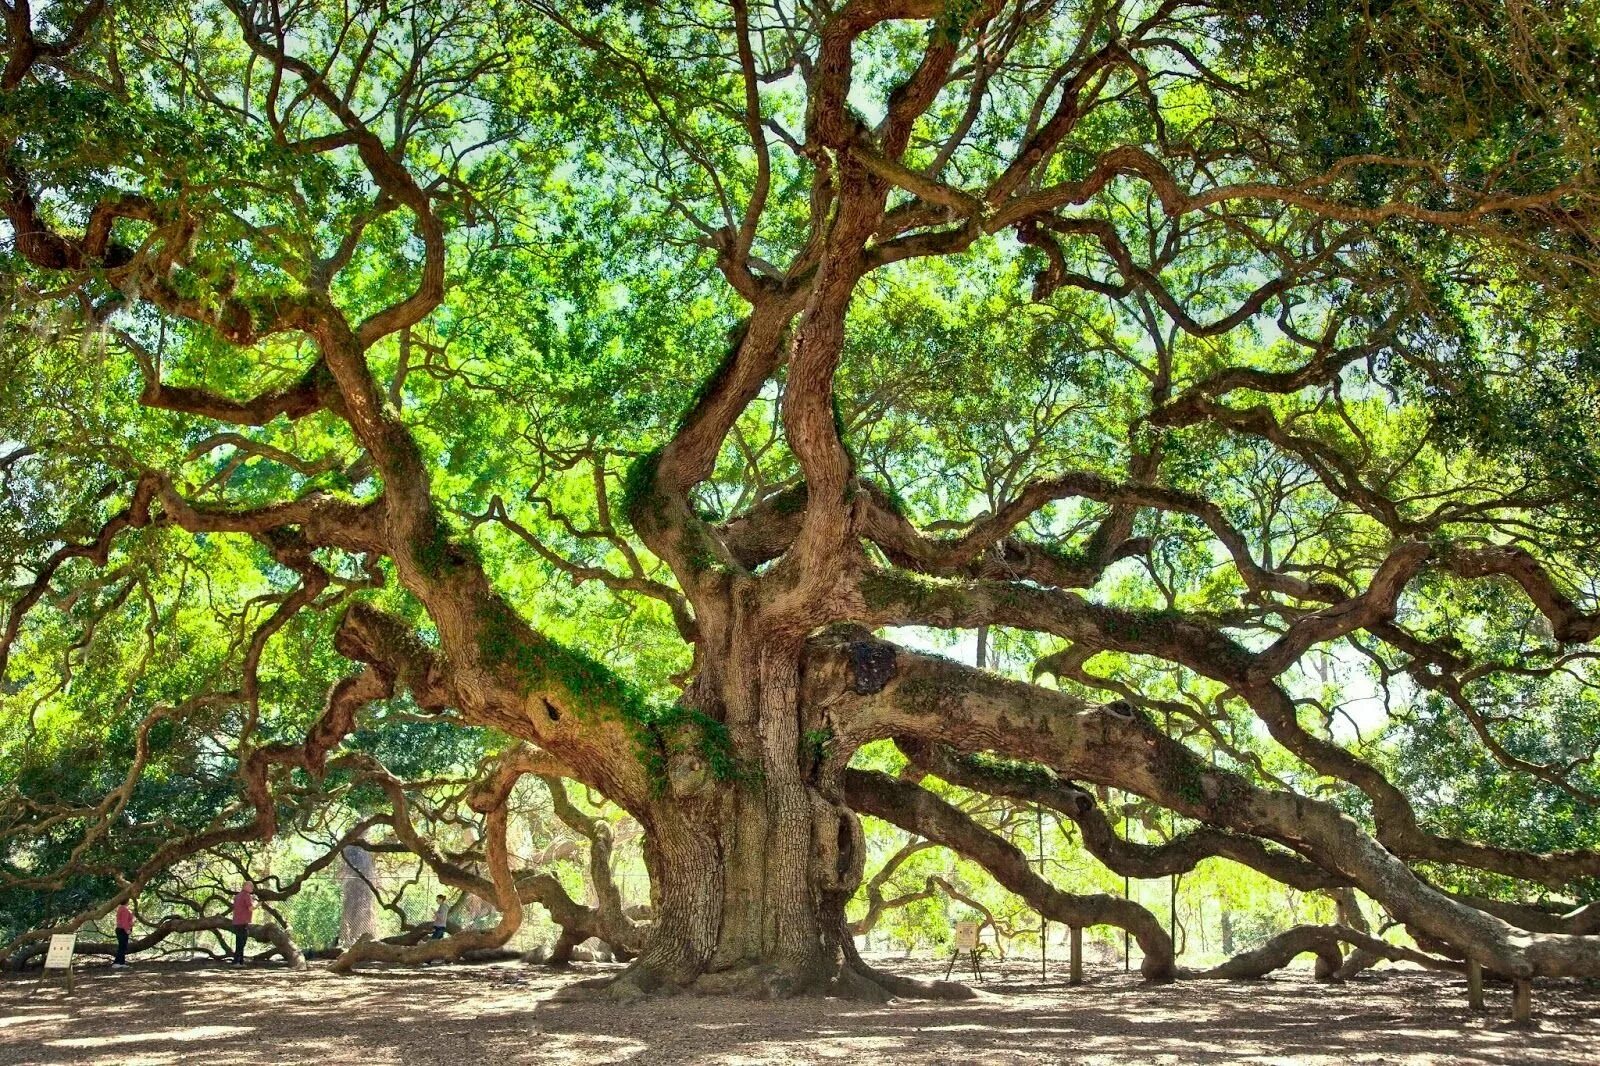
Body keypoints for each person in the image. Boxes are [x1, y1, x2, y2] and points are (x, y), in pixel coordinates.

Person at [230, 882, 253, 965]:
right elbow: (250, 908)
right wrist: (258, 905)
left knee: (239, 941)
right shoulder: (246, 895)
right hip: (243, 922)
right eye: (251, 886)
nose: (252, 888)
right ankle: (236, 961)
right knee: (242, 942)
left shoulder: (237, 896)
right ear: (245, 886)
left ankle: (240, 961)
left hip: (237, 921)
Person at [113, 902, 133, 967]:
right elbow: (124, 922)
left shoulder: (121, 908)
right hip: (122, 930)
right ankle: (118, 963)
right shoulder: (124, 909)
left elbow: (124, 920)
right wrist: (127, 930)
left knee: (122, 947)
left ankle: (121, 963)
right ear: (126, 901)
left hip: (120, 929)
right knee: (122, 947)